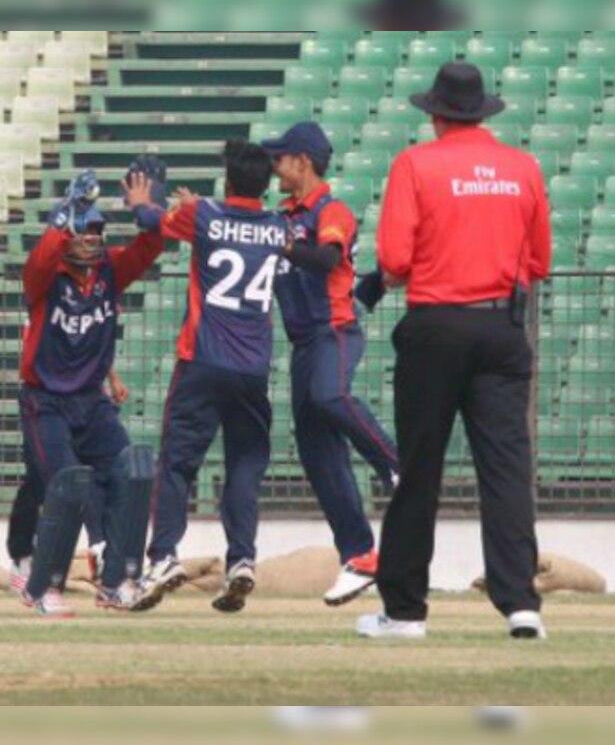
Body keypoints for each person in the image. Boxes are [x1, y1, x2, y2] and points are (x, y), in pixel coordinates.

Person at [362, 61, 551, 640]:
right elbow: (539, 260)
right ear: (482, 110)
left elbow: (395, 259)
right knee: (507, 469)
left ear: (436, 113)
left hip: (436, 327)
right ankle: (520, 603)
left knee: (419, 469)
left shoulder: (415, 164)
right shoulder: (522, 168)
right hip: (500, 327)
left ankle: (404, 611)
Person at [123, 141, 289, 614]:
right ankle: (241, 560)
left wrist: (142, 203)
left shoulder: (205, 216)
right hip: (253, 370)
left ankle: (164, 557)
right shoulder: (278, 227)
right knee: (243, 465)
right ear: (265, 185)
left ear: (229, 182)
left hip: (202, 361)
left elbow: (151, 221)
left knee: (177, 464)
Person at [260, 122, 401, 608]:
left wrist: (280, 246)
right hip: (303, 344)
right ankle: (361, 555)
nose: (274, 167)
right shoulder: (279, 216)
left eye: (280, 158)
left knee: (331, 396)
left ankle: (398, 465)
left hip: (335, 330)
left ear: (302, 161)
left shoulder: (331, 209)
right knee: (318, 455)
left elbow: (324, 259)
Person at [17, 171, 164, 617]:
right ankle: (43, 586)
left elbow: (150, 245)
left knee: (132, 472)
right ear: (66, 235)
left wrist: (148, 208)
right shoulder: (47, 275)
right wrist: (64, 218)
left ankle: (117, 580)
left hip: (91, 400)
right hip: (46, 401)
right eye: (86, 231)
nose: (93, 240)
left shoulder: (108, 271)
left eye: (98, 231)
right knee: (67, 484)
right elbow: (38, 261)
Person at [9, 368, 129, 597]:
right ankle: (22, 555)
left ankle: (99, 546)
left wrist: (111, 376)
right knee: (38, 481)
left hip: (83, 400)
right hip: (46, 401)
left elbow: (90, 338)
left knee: (84, 475)